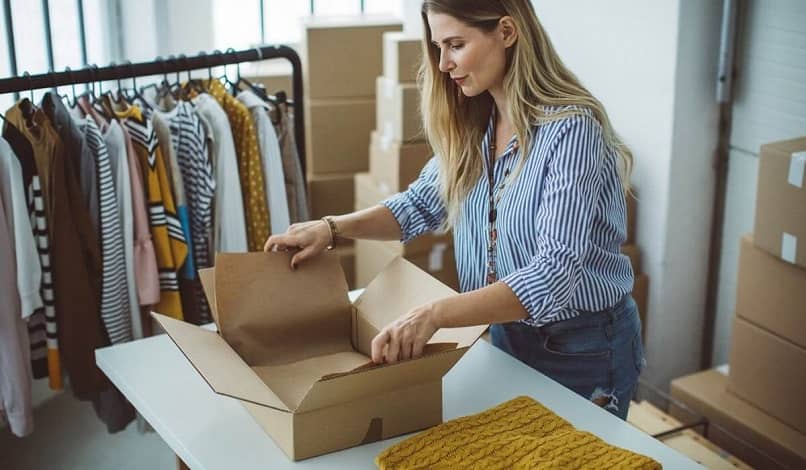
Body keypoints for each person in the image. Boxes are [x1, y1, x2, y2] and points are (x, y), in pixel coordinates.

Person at [265, 0, 644, 420]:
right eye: (438, 47)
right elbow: (418, 205)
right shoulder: (479, 124)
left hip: (582, 349)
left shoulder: (572, 133)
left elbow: (553, 274)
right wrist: (331, 229)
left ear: (506, 32)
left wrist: (436, 313)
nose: (443, 63)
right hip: (506, 335)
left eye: (455, 45)